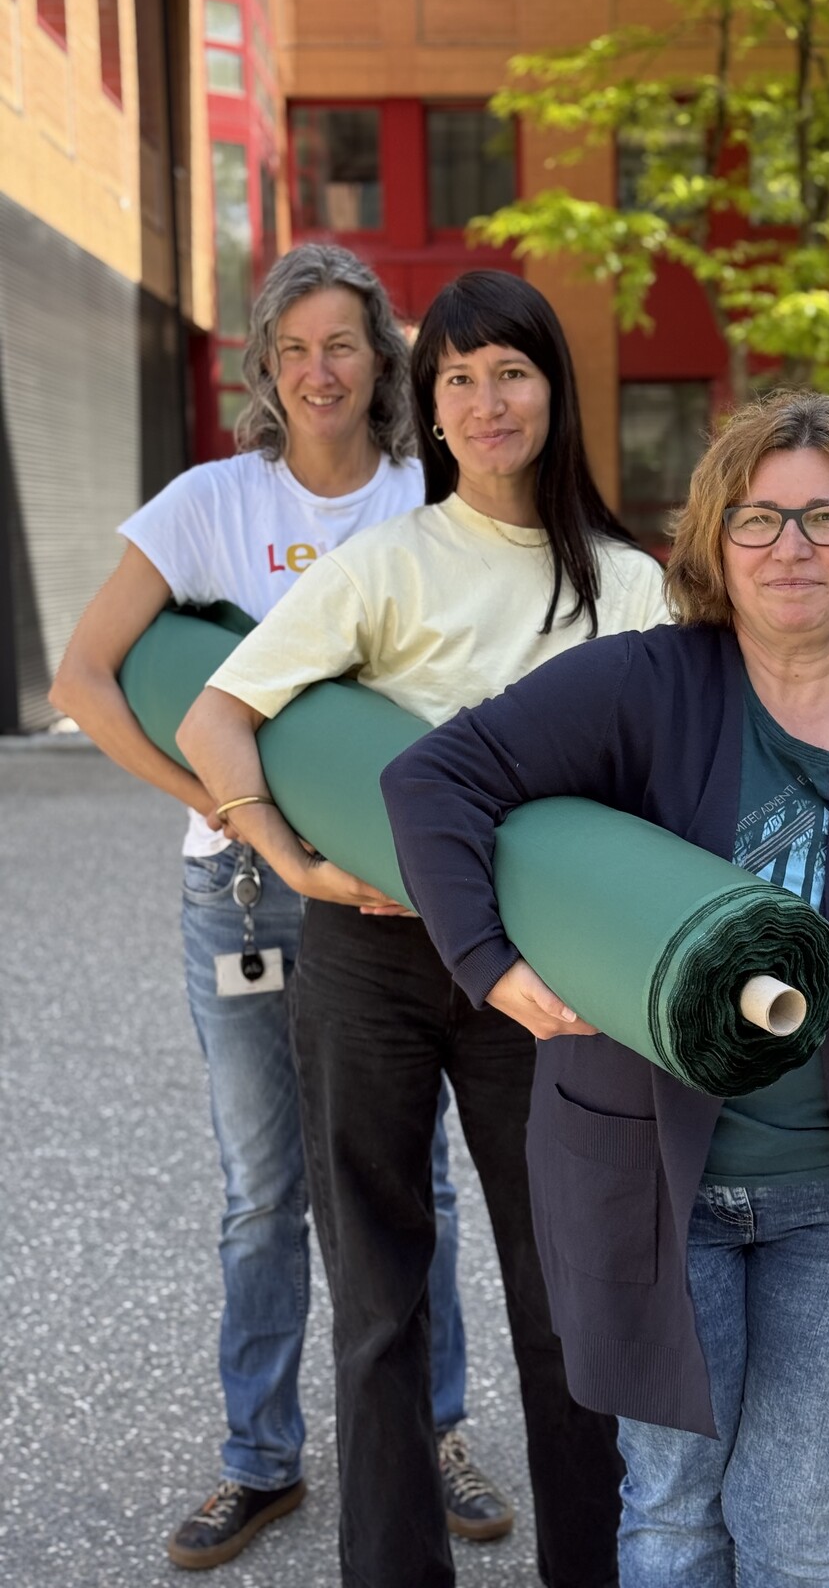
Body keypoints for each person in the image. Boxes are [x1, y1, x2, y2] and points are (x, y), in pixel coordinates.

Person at [382, 389, 829, 1588]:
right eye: (758, 519)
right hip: (648, 1184)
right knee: (678, 1512)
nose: (791, 548)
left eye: (828, 519)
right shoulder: (638, 688)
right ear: (713, 542)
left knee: (799, 1528)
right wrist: (491, 966)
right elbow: (437, 779)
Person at [175, 268, 670, 1588]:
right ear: (431, 407)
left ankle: (595, 1567)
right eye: (457, 376)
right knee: (379, 1305)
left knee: (569, 1301)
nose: (484, 397)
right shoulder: (383, 562)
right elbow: (216, 715)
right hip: (374, 967)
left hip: (547, 976)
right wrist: (294, 862)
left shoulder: (627, 585)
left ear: (555, 391)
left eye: (510, 370)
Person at [49, 244, 495, 1569]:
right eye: (292, 347)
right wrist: (231, 807)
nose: (318, 371)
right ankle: (261, 1459)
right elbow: (83, 678)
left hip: (389, 895)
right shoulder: (206, 506)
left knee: (415, 1176)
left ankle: (436, 1432)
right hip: (243, 892)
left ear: (384, 363)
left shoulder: (435, 500)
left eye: (343, 345)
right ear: (264, 364)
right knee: (263, 1190)